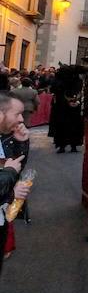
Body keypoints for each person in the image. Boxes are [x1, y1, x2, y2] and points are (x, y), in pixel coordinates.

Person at [0, 93, 31, 280]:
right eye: (17, 113)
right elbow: (10, 172)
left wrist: (21, 144)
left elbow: (15, 167)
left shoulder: (5, 137)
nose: (21, 118)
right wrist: (11, 193)